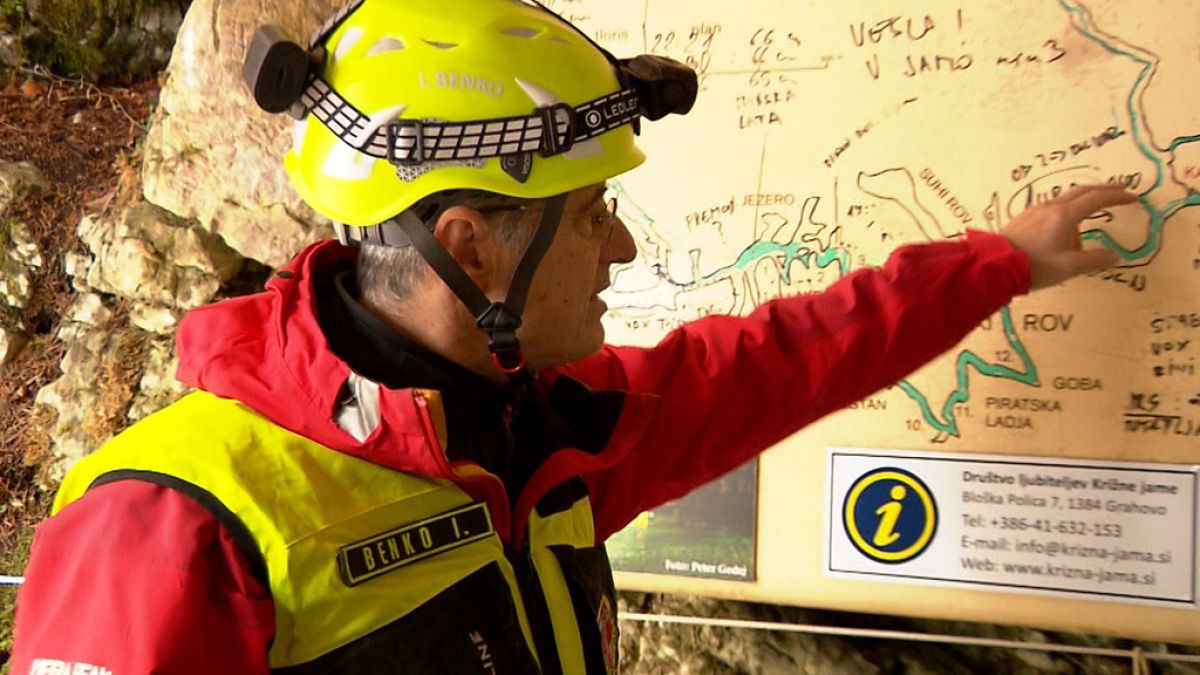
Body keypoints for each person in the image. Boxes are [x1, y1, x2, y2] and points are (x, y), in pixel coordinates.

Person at [10, 0, 1135, 673]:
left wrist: (1001, 263)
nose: (624, 252)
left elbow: (784, 359)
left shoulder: (538, 434)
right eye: (595, 216)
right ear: (474, 246)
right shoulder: (169, 525)